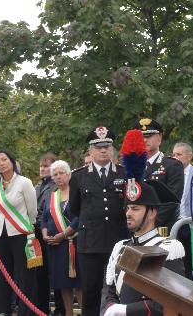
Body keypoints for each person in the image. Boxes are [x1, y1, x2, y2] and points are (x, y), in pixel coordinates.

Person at [102, 129, 185, 316]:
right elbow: (109, 292)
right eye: (128, 208)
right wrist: (109, 308)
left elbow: (170, 303)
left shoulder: (168, 249)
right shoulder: (120, 248)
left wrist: (125, 310)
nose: (129, 214)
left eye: (136, 209)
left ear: (152, 213)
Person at [69, 126, 128, 316]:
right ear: (90, 151)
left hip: (117, 239)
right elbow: (74, 208)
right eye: (99, 147)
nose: (103, 150)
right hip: (90, 242)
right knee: (91, 291)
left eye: (107, 147)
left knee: (120, 289)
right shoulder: (78, 176)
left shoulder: (123, 173)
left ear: (112, 149)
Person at [0, 150, 39, 316]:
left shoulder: (24, 182)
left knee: (24, 277)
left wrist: (26, 226)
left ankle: (26, 312)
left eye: (5, 160)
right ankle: (3, 311)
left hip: (21, 234)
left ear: (11, 161)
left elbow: (32, 210)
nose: (2, 163)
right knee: (1, 277)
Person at [41, 160, 82, 316]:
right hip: (56, 246)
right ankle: (69, 313)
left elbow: (80, 216)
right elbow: (43, 218)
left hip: (74, 242)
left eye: (61, 173)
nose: (58, 177)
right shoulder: (51, 196)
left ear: (68, 174)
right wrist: (45, 234)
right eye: (55, 174)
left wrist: (64, 234)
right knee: (63, 284)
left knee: (78, 283)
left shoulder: (76, 192)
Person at [34, 152, 64, 316]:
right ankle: (41, 309)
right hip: (37, 235)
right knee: (41, 275)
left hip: (52, 234)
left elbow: (47, 211)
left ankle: (60, 309)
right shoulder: (38, 187)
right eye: (41, 166)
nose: (42, 169)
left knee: (56, 275)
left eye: (46, 166)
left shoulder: (56, 186)